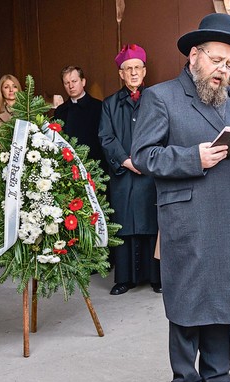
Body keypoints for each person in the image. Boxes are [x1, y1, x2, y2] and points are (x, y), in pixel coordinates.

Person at [131, 13, 230, 382]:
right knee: (189, 300)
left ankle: (218, 374)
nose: (223, 70)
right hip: (188, 215)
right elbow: (143, 156)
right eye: (216, 61)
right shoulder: (162, 96)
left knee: (224, 296)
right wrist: (193, 157)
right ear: (194, 55)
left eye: (229, 64)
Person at [98, 44, 161, 295]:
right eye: (128, 69)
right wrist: (125, 160)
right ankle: (125, 278)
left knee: (151, 223)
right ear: (121, 74)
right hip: (123, 174)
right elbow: (106, 137)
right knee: (124, 224)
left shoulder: (157, 100)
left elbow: (165, 132)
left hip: (151, 172)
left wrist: (149, 160)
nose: (133, 73)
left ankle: (157, 278)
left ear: (144, 72)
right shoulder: (110, 104)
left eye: (137, 68)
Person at [54, 66, 105, 170]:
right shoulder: (60, 111)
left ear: (83, 82)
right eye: (66, 83)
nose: (71, 86)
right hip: (68, 169)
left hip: (96, 167)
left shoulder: (99, 107)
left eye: (74, 81)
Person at [0, 74, 21, 153]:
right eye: (6, 87)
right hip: (6, 160)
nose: (11, 90)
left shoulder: (28, 111)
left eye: (14, 86)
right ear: (1, 90)